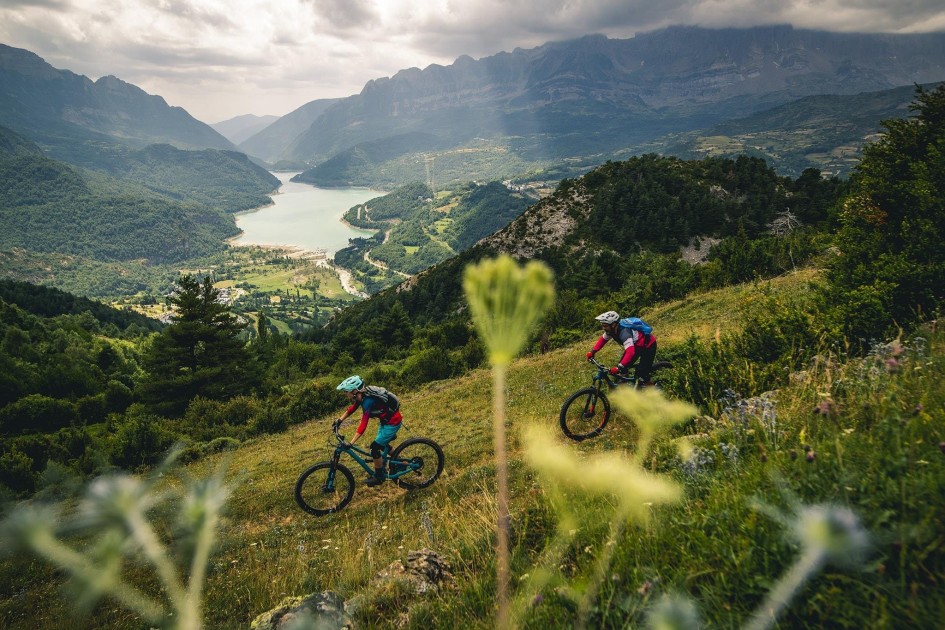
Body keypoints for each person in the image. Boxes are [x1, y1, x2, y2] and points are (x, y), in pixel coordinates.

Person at [333, 375, 402, 486]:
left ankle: (379, 476)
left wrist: (351, 443)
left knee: (374, 448)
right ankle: (400, 462)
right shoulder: (362, 396)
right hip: (386, 421)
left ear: (354, 391)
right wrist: (339, 420)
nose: (345, 394)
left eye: (346, 391)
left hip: (392, 423)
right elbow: (352, 409)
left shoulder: (367, 401)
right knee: (381, 445)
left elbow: (363, 424)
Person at [586, 310, 658, 386]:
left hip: (648, 346)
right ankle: (623, 389)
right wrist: (592, 352)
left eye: (605, 326)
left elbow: (630, 352)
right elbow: (603, 340)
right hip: (636, 346)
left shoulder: (624, 333)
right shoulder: (611, 331)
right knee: (623, 368)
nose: (604, 328)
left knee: (642, 374)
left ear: (613, 325)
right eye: (603, 326)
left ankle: (653, 393)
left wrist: (618, 368)